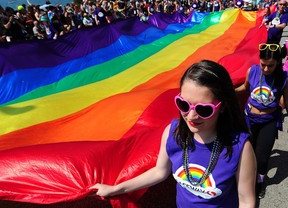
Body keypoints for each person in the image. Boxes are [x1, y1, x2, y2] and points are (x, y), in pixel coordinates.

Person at [89, 60, 256, 207]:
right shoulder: (174, 133)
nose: (191, 116)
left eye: (203, 109)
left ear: (223, 107)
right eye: (184, 104)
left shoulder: (240, 148)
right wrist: (115, 189)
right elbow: (159, 172)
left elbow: (246, 201)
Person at [235, 43, 288, 199]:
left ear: (278, 62)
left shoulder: (283, 78)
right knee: (245, 152)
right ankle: (244, 180)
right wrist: (230, 90)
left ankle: (259, 183)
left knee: (262, 157)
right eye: (263, 64)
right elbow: (244, 88)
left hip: (268, 121)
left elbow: (287, 99)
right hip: (249, 118)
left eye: (270, 66)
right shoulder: (252, 70)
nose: (266, 69)